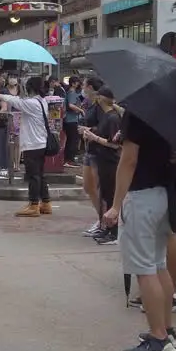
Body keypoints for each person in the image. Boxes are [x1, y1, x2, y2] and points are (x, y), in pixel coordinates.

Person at [102, 105, 176, 351]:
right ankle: (167, 330)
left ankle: (158, 338)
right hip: (164, 194)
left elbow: (129, 160)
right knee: (158, 265)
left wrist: (115, 205)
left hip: (141, 196)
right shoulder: (170, 111)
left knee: (144, 269)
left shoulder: (137, 111)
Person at [0, 76, 51, 217]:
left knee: (33, 176)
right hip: (41, 142)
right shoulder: (42, 101)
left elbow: (15, 100)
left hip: (32, 144)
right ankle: (46, 202)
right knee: (40, 175)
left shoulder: (32, 103)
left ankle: (34, 204)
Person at [79, 86, 121, 244]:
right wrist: (91, 132)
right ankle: (107, 229)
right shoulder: (106, 116)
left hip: (111, 161)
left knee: (110, 196)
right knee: (104, 194)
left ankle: (114, 232)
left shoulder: (113, 118)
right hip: (103, 160)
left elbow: (115, 144)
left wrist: (93, 137)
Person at [79, 77, 105, 237]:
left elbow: (106, 125)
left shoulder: (100, 104)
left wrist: (89, 130)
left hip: (99, 150)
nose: (82, 88)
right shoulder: (88, 104)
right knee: (88, 186)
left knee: (99, 187)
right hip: (89, 148)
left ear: (89, 87)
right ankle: (101, 217)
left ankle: (105, 221)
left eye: (84, 85)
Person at [63, 76, 85, 167]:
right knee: (72, 140)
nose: (78, 84)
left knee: (72, 139)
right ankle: (69, 159)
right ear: (73, 83)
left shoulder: (73, 93)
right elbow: (71, 105)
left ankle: (69, 159)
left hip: (72, 119)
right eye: (77, 82)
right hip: (71, 119)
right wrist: (81, 110)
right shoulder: (71, 93)